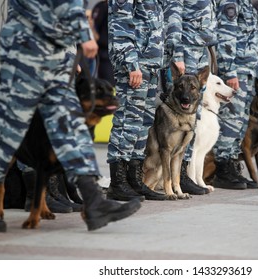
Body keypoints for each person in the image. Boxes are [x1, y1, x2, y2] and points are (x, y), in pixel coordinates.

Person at [0, 0, 141, 232]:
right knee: (7, 126)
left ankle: (93, 201)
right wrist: (83, 32)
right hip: (26, 48)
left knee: (72, 123)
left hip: (55, 50)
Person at [106, 0, 167, 201]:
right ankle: (118, 182)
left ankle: (134, 179)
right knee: (127, 123)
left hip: (150, 66)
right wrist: (131, 63)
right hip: (135, 67)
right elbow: (121, 26)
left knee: (142, 125)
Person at [161, 0, 217, 195]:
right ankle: (180, 177)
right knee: (179, 117)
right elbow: (173, 16)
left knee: (194, 119)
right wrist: (177, 55)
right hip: (186, 54)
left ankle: (184, 174)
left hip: (200, 54)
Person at [213, 0, 258, 190]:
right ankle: (222, 169)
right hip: (236, 72)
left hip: (247, 71)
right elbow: (225, 37)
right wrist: (229, 72)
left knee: (239, 123)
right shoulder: (230, 3)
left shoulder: (247, 4)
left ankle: (233, 166)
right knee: (230, 122)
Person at [92, 0, 115, 86]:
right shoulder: (103, 6)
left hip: (121, 54)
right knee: (108, 86)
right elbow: (94, 30)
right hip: (105, 55)